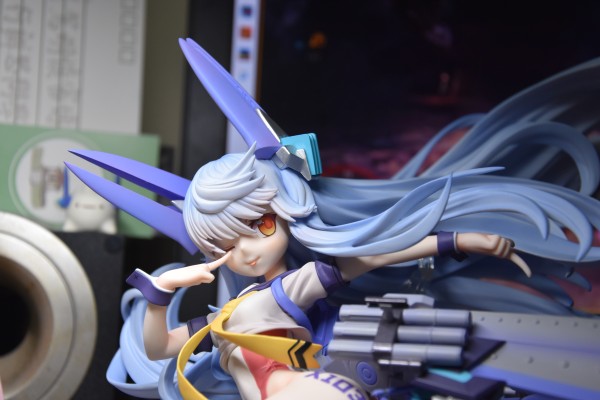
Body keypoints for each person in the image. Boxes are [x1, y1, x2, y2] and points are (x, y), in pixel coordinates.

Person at [70, 39, 600, 398]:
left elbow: (368, 257)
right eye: (223, 247)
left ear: (284, 210)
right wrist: (158, 293)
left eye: (260, 225)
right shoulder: (230, 314)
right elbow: (160, 347)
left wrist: (456, 239)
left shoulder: (285, 292)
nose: (246, 253)